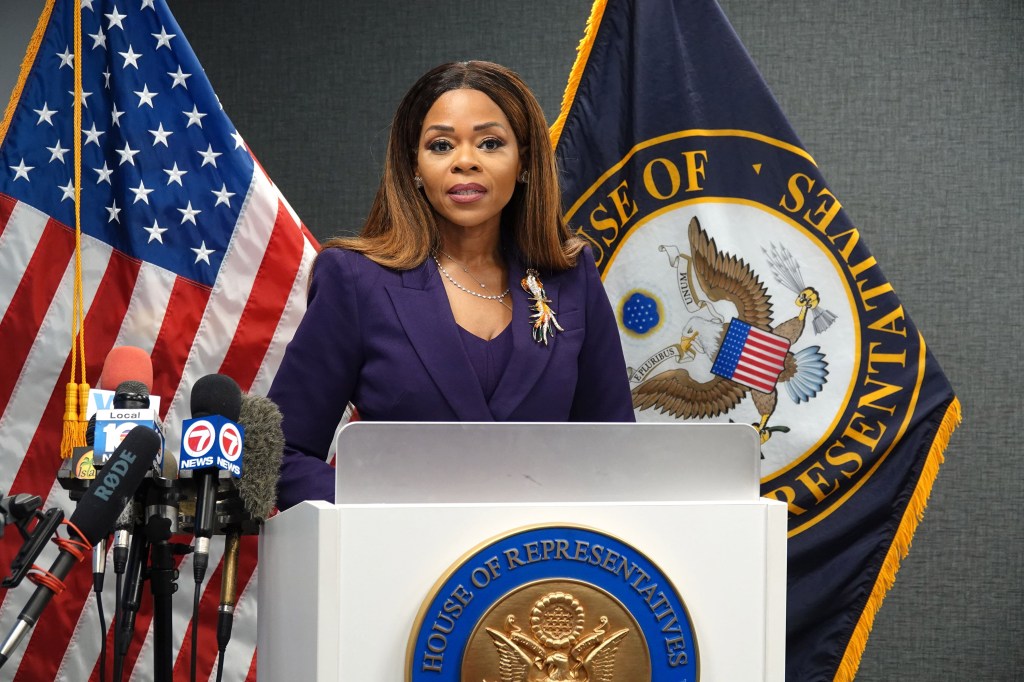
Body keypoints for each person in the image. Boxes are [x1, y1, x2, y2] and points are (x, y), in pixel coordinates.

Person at [268, 61, 634, 510]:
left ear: (523, 162)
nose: (465, 161)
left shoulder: (572, 277)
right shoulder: (355, 279)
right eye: (441, 145)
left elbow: (614, 455)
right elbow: (283, 454)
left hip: (544, 566)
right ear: (414, 167)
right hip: (399, 562)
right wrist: (382, 510)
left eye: (490, 143)